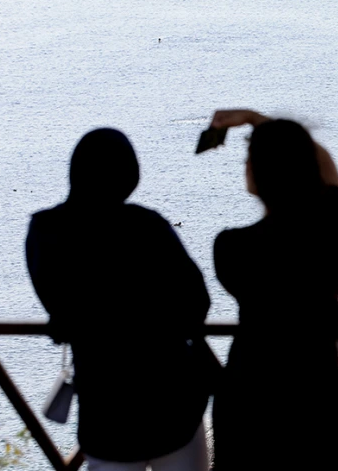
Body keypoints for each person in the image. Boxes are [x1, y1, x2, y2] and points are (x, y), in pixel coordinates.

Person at [25, 129, 213, 470]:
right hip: (171, 401)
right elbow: (197, 301)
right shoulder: (147, 225)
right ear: (129, 174)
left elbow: (59, 308)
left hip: (104, 407)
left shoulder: (45, 231)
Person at [207, 110, 338, 470]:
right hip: (317, 401)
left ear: (257, 174)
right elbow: (327, 167)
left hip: (248, 405)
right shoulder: (331, 227)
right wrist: (257, 120)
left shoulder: (232, 248)